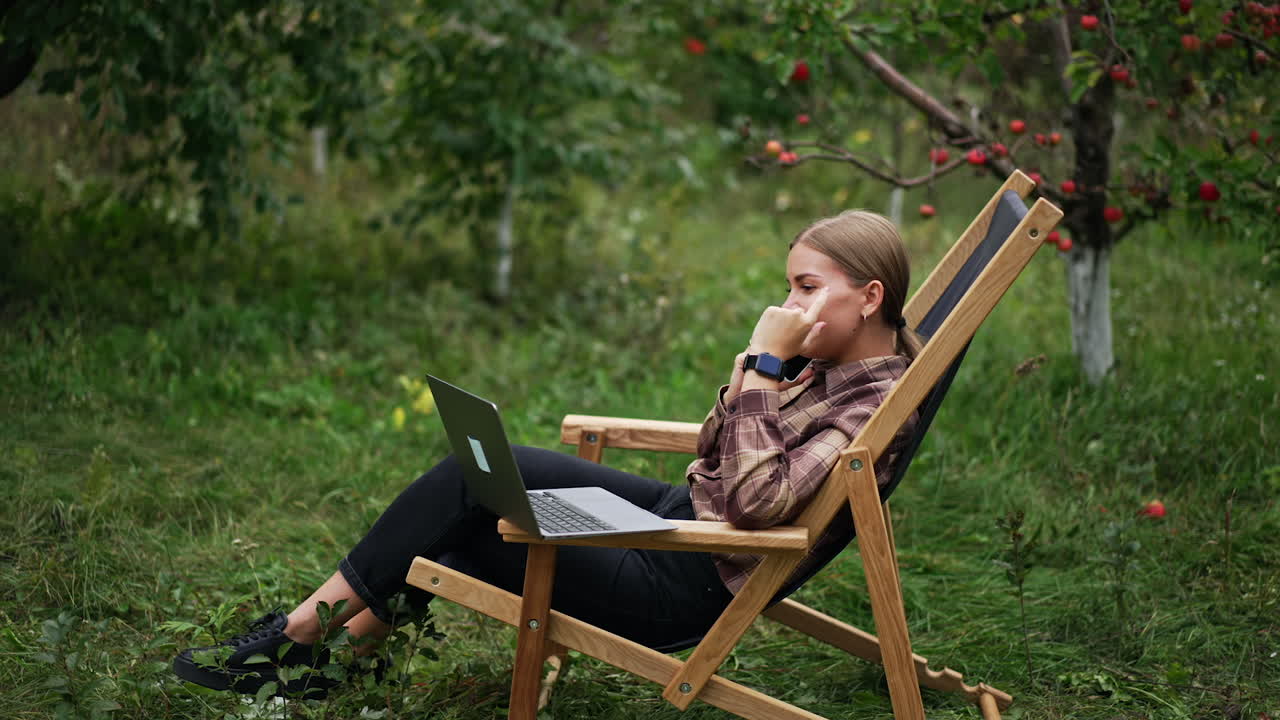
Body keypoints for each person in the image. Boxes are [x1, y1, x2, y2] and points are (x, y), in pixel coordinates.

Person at [172, 209, 922, 698]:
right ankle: (330, 649)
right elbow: (712, 448)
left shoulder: (870, 409)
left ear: (868, 297)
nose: (787, 306)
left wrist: (763, 369)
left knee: (474, 504)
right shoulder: (830, 369)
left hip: (683, 578)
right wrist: (756, 373)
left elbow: (758, 504)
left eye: (805, 288)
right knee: (485, 473)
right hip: (681, 520)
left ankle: (305, 640)